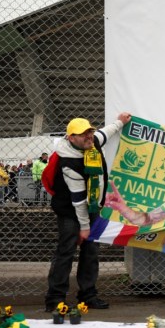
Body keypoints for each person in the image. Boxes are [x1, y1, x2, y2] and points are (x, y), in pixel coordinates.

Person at [45, 113, 131, 312]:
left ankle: (88, 295)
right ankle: (55, 299)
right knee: (66, 252)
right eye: (83, 134)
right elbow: (78, 200)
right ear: (71, 138)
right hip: (71, 211)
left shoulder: (92, 143)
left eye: (89, 131)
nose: (89, 136)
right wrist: (84, 228)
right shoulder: (68, 162)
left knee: (91, 252)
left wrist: (120, 122)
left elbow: (105, 133)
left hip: (92, 208)